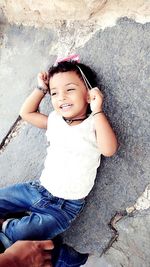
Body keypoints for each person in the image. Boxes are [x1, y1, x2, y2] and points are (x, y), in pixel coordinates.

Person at [0, 54, 118, 244]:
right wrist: (41, 89)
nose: (61, 97)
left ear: (89, 94)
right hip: (37, 190)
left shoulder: (94, 123)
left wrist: (98, 109)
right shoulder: (55, 120)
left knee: (19, 236)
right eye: (54, 93)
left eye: (70, 90)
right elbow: (26, 113)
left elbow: (109, 149)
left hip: (64, 207)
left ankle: (6, 227)